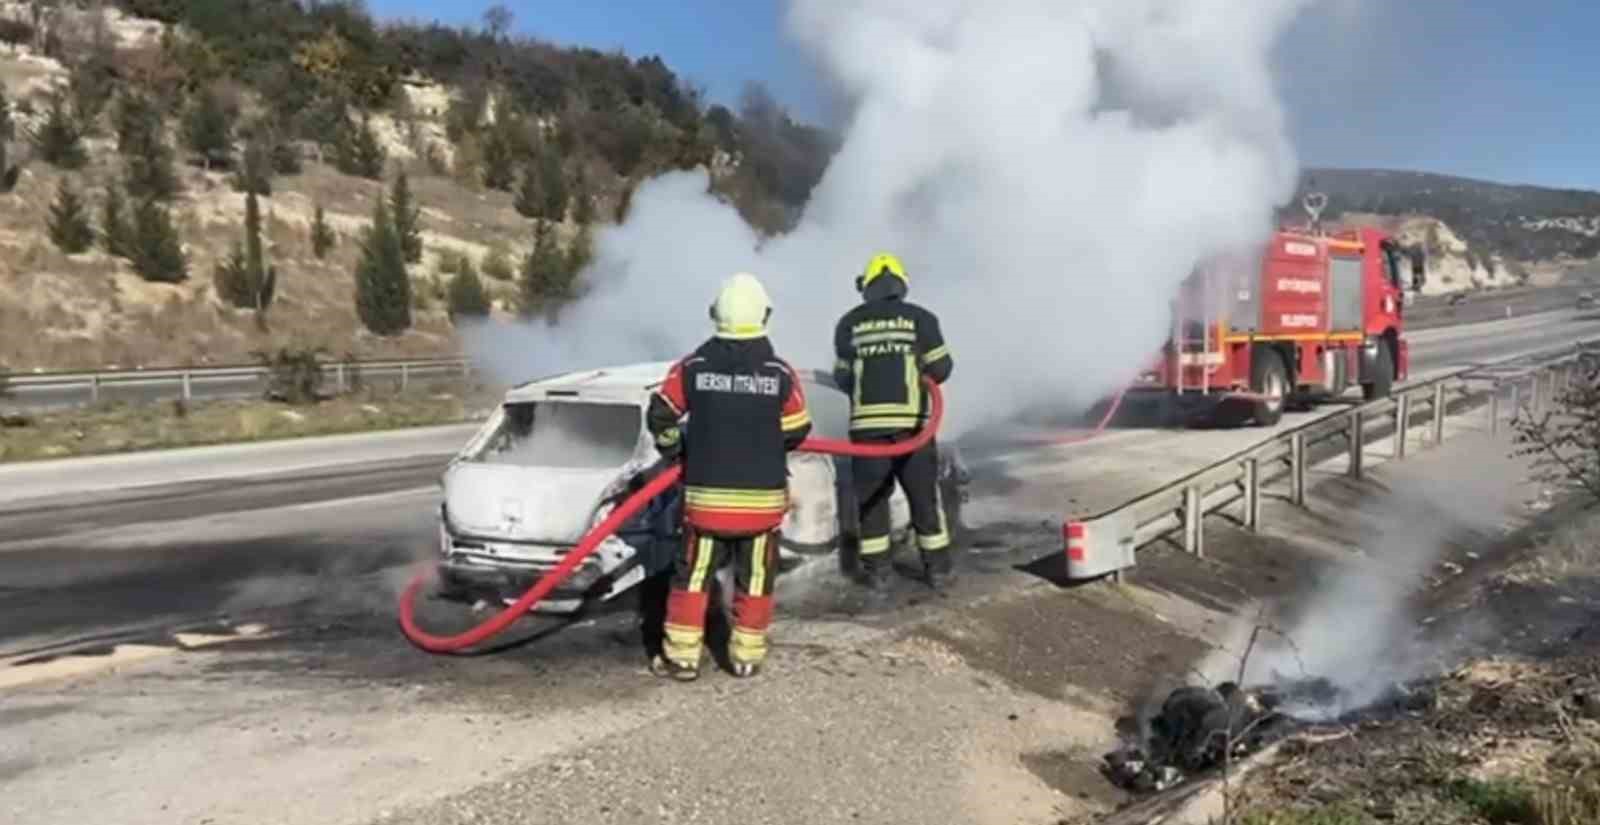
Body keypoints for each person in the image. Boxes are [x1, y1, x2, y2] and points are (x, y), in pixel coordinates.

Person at [645, 272, 812, 681]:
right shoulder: (779, 372)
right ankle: (746, 658)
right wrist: (765, 443)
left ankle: (682, 659)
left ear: (714, 314)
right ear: (765, 316)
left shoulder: (692, 368)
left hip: (707, 502)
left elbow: (661, 413)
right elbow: (798, 428)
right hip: (762, 505)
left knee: (693, 576)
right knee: (756, 578)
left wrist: (676, 449)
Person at [833, 252, 954, 591]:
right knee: (923, 499)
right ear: (901, 285)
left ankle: (878, 574)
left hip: (867, 432)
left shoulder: (848, 323)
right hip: (912, 430)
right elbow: (941, 368)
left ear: (867, 286)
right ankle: (937, 570)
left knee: (872, 502)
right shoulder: (922, 319)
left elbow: (842, 377)